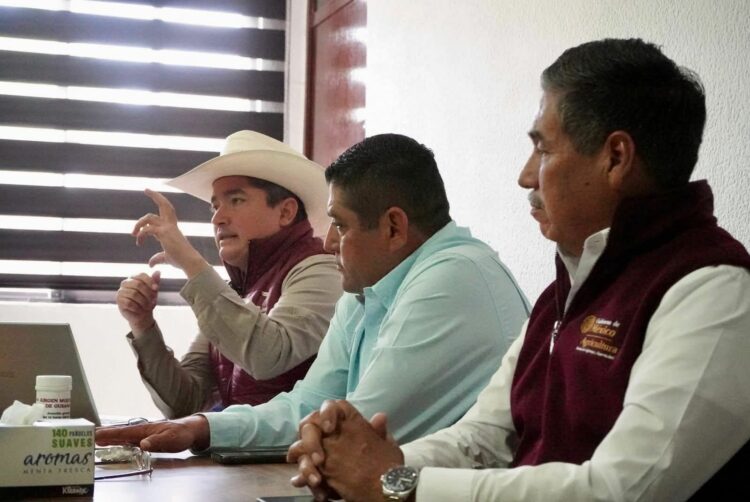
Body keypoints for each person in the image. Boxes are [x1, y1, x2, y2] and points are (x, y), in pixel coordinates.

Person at [288, 39, 750, 502]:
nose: (526, 176)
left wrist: (393, 483)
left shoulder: (713, 288)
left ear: (615, 158)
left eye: (543, 150)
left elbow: (624, 490)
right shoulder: (567, 292)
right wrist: (367, 466)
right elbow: (484, 439)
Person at [97, 133, 530, 454]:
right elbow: (310, 402)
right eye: (215, 205)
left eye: (339, 224)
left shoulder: (452, 277)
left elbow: (356, 427)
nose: (328, 242)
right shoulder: (366, 288)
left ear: (394, 227)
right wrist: (202, 427)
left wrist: (193, 266)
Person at [115, 130, 343, 417]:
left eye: (236, 200)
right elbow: (185, 403)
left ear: (285, 212)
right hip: (246, 444)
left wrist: (190, 261)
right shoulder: (234, 289)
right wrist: (143, 325)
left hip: (298, 446)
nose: (217, 218)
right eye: (215, 206)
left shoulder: (321, 268)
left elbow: (267, 356)